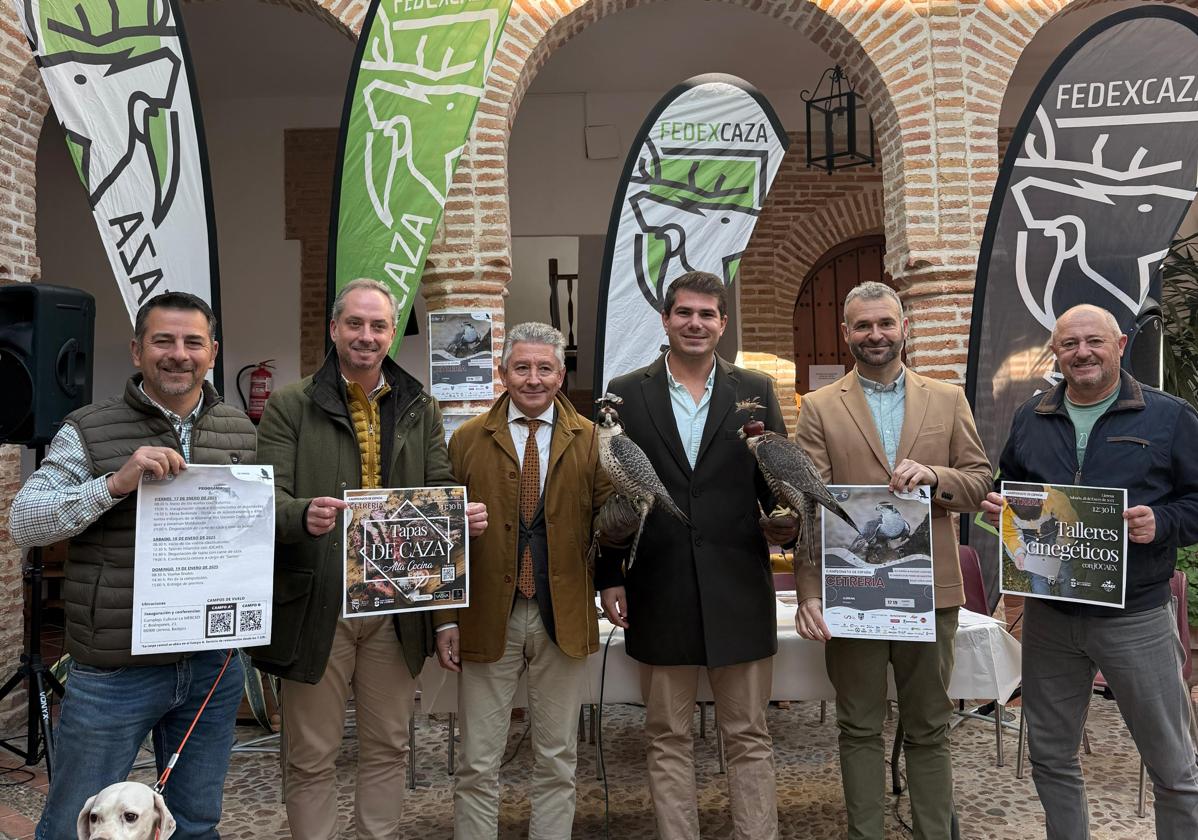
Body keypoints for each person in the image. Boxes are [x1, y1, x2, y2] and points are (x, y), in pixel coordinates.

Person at [10, 292, 256, 839]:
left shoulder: (240, 430)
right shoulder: (88, 428)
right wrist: (115, 484)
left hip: (210, 664)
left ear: (212, 352)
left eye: (193, 342)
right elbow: (26, 522)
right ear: (136, 350)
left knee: (191, 824)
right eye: (162, 340)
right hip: (114, 671)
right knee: (74, 823)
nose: (178, 354)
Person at [250, 278, 486, 839]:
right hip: (318, 607)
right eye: (354, 324)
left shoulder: (418, 406)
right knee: (311, 753)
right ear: (334, 329)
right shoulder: (290, 405)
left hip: (395, 609)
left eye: (379, 325)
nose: (366, 335)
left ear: (392, 335)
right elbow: (267, 500)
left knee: (388, 745)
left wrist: (457, 519)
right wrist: (301, 515)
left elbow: (437, 485)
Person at [981, 303, 1198, 839]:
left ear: (1120, 345)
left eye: (1094, 341)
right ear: (1055, 352)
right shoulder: (1032, 417)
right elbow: (1015, 487)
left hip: (1135, 617)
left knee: (1174, 769)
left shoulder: (1168, 416)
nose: (1082, 352)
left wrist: (1163, 521)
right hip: (1051, 617)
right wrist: (1002, 507)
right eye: (1069, 343)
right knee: (1051, 758)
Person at [597, 270, 798, 840]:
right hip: (659, 587)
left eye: (707, 314)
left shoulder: (754, 389)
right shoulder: (626, 392)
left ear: (723, 323)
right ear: (665, 319)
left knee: (749, 735)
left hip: (739, 587)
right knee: (666, 737)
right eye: (684, 312)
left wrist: (787, 524)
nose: (695, 323)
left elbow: (773, 483)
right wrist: (611, 576)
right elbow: (609, 491)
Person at [793, 281, 991, 840]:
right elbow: (809, 506)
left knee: (929, 726)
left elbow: (978, 483)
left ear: (906, 327)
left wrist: (935, 477)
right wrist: (810, 592)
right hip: (850, 592)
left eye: (885, 323)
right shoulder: (818, 407)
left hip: (929, 591)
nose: (875, 335)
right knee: (857, 727)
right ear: (846, 333)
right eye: (863, 326)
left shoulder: (947, 398)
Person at [432, 322, 612, 839]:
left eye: (545, 368)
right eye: (522, 367)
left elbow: (608, 525)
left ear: (561, 374)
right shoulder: (467, 440)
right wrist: (445, 618)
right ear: (502, 372)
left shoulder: (592, 440)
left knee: (557, 759)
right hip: (488, 615)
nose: (533, 379)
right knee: (476, 761)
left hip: (564, 615)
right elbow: (442, 535)